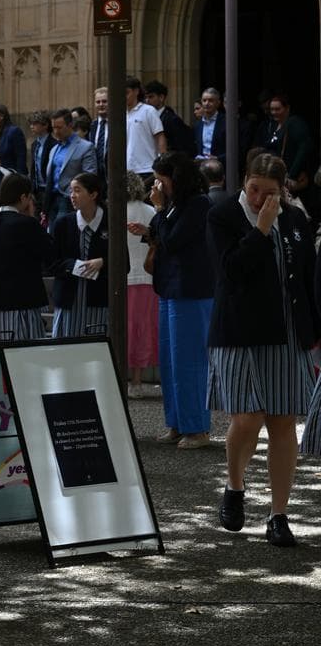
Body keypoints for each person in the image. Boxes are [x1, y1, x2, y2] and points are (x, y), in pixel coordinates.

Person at [205, 153, 316, 549]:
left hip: (287, 330)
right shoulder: (222, 215)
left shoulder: (297, 219)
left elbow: (305, 278)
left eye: (269, 193)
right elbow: (230, 273)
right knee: (248, 418)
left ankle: (278, 514)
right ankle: (235, 486)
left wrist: (313, 331)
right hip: (240, 330)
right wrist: (261, 230)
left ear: (283, 190)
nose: (259, 199)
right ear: (245, 181)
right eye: (253, 189)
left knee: (284, 422)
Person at [128, 152, 215, 448]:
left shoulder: (198, 204)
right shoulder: (176, 205)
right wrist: (153, 225)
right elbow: (166, 233)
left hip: (191, 290)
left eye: (161, 179)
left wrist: (159, 211)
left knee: (189, 361)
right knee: (170, 361)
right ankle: (177, 422)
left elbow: (175, 240)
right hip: (170, 288)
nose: (156, 185)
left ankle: (197, 428)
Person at [0, 173, 54, 358]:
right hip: (20, 306)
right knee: (22, 365)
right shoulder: (27, 224)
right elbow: (51, 256)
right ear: (23, 197)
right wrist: (32, 217)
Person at [50, 173, 109, 339]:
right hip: (69, 302)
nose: (72, 196)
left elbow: (123, 264)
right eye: (71, 191)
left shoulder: (110, 221)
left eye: (77, 190)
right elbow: (52, 263)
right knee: (67, 352)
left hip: (99, 303)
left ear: (93, 194)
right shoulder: (63, 223)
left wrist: (102, 262)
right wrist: (73, 266)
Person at [123, 172, 159, 398]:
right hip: (147, 276)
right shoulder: (150, 212)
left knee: (126, 327)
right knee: (144, 328)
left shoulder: (115, 213)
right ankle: (137, 379)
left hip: (124, 276)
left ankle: (126, 378)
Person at [45, 109, 99, 231]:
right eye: (54, 128)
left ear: (70, 126)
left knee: (60, 233)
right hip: (52, 199)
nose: (56, 131)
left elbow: (90, 176)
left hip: (69, 198)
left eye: (59, 127)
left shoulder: (85, 147)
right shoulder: (54, 149)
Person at [264, 94, 316, 204]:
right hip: (277, 176)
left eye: (277, 109)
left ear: (287, 108)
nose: (274, 112)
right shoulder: (272, 124)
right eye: (272, 109)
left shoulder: (295, 123)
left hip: (291, 178)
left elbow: (304, 148)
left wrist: (292, 174)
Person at [125, 76, 167, 185]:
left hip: (147, 168)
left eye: (126, 92)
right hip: (126, 169)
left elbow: (160, 136)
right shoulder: (119, 115)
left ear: (136, 91)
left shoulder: (148, 111)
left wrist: (162, 161)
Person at [144, 80, 195, 156]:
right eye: (146, 97)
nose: (147, 100)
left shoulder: (172, 119)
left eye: (151, 97)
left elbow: (180, 147)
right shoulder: (145, 117)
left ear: (161, 97)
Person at [0, 103, 26, 173]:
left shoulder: (14, 131)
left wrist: (19, 178)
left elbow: (21, 158)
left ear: (1, 116)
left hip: (11, 177)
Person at [29, 110, 54, 212]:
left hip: (48, 188)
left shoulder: (53, 144)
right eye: (31, 124)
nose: (31, 126)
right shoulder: (34, 144)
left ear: (45, 125)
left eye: (35, 124)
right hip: (37, 188)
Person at [194, 88, 227, 167]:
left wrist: (217, 159)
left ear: (218, 103)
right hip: (202, 167)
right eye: (204, 100)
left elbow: (234, 150)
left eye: (210, 100)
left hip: (221, 167)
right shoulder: (198, 125)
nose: (206, 103)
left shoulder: (226, 121)